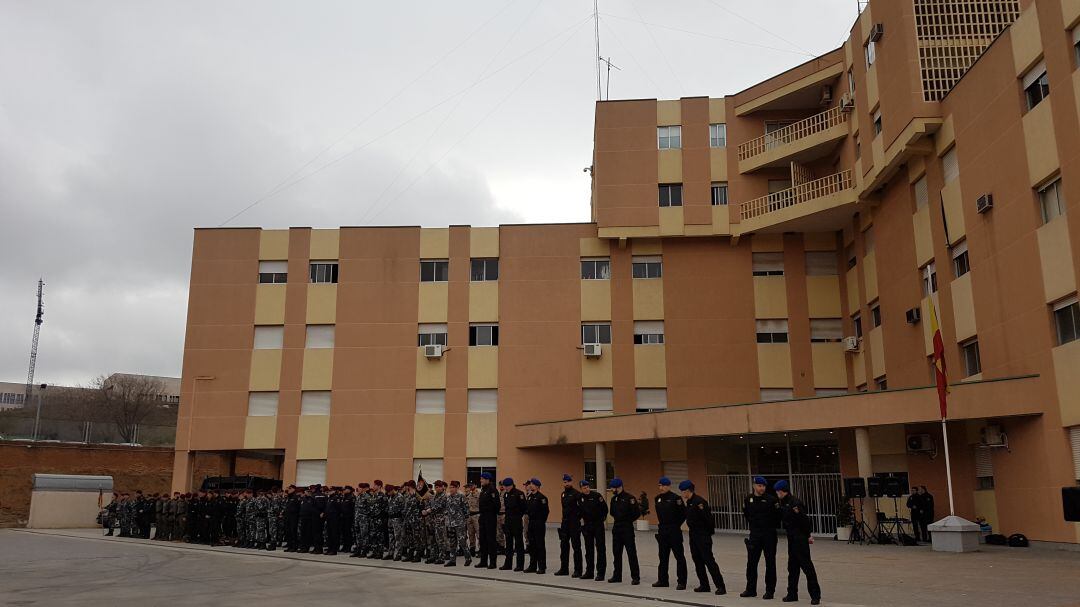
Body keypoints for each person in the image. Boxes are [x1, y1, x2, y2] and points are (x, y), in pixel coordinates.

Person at [776, 480, 821, 605]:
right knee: (792, 568)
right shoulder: (783, 503)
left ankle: (815, 595)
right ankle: (792, 594)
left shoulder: (795, 503)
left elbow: (804, 520)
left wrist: (808, 535)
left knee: (807, 567)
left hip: (800, 538)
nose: (776, 494)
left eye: (777, 492)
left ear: (781, 491)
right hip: (791, 538)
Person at [680, 480, 726, 595]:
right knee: (697, 561)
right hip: (693, 536)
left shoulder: (699, 502)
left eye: (683, 491)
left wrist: (707, 535)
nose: (682, 494)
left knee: (709, 561)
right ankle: (704, 584)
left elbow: (709, 520)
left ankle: (720, 586)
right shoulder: (689, 502)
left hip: (702, 536)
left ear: (687, 491)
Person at [741, 476, 780, 599]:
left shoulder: (772, 500)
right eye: (759, 486)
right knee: (751, 563)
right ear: (754, 486)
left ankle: (770, 591)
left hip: (769, 535)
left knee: (770, 563)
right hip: (755, 535)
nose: (762, 488)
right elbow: (746, 515)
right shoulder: (748, 499)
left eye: (763, 486)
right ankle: (750, 589)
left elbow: (777, 517)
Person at [653, 477, 688, 590]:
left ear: (668, 486)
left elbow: (683, 514)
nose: (661, 488)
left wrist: (675, 525)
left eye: (663, 485)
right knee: (663, 557)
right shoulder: (657, 498)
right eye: (659, 485)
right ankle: (663, 580)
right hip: (663, 531)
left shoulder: (676, 498)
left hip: (674, 530)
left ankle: (681, 581)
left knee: (679, 557)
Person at [608, 478, 640, 585]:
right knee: (616, 553)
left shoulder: (630, 498)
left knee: (631, 553)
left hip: (627, 528)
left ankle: (635, 577)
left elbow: (636, 513)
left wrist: (627, 520)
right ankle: (617, 575)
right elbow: (612, 512)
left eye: (614, 488)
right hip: (617, 528)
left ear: (619, 487)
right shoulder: (613, 499)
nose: (612, 490)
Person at [578, 479, 607, 582]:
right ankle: (589, 572)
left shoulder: (596, 496)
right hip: (587, 526)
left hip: (597, 525)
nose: (586, 489)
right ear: (581, 489)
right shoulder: (579, 498)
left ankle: (600, 573)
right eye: (584, 488)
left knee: (600, 549)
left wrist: (601, 519)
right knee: (588, 550)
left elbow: (605, 509)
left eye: (587, 487)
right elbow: (578, 512)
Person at [554, 474, 583, 577]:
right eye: (565, 482)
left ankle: (578, 570)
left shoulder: (577, 494)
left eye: (568, 482)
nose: (566, 484)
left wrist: (576, 518)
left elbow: (581, 509)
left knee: (576, 547)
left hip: (574, 523)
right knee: (564, 547)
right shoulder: (563, 494)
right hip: (565, 524)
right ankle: (564, 568)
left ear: (571, 482)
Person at [500, 477, 526, 571]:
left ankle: (520, 565)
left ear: (511, 485)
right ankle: (508, 564)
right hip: (508, 522)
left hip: (516, 522)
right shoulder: (506, 495)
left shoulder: (519, 494)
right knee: (509, 543)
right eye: (504, 486)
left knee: (519, 544)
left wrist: (517, 516)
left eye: (507, 486)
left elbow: (523, 508)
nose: (505, 488)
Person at [524, 478, 549, 574]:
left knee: (540, 545)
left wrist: (541, 522)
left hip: (539, 523)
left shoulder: (542, 498)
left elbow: (545, 512)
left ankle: (542, 566)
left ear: (537, 486)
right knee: (532, 545)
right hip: (531, 523)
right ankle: (532, 565)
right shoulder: (530, 497)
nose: (530, 486)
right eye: (530, 484)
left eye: (532, 484)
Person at [475, 472, 500, 569]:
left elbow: (497, 505)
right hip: (483, 517)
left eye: (482, 479)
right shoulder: (483, 490)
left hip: (490, 517)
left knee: (491, 540)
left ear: (487, 479)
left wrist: (490, 513)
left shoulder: (492, 490)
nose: (480, 480)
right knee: (483, 540)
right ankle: (483, 561)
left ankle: (493, 562)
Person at [444, 480, 471, 566]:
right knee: (452, 542)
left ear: (457, 488)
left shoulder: (461, 496)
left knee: (462, 541)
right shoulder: (448, 498)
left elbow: (466, 509)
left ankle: (468, 558)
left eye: (453, 487)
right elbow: (446, 509)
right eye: (450, 487)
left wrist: (463, 518)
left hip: (459, 523)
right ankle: (452, 560)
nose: (451, 489)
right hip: (450, 523)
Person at [465, 482, 480, 557]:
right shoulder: (468, 495)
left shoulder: (479, 495)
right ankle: (472, 549)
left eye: (472, 485)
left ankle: (481, 549)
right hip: (469, 516)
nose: (470, 487)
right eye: (469, 486)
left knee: (479, 533)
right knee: (471, 534)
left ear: (475, 485)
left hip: (477, 515)